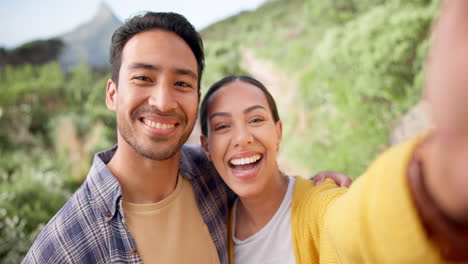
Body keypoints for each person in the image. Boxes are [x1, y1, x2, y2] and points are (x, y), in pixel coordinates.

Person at [22, 11, 350, 264]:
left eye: (182, 84)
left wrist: (313, 189)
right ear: (112, 94)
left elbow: (280, 202)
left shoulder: (212, 173)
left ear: (196, 96)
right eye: (143, 78)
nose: (163, 102)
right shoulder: (64, 246)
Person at [198, 1, 468, 262]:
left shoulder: (321, 206)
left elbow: (358, 226)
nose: (243, 137)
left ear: (278, 132)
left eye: (256, 120)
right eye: (222, 126)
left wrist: (437, 180)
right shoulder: (212, 227)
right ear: (206, 147)